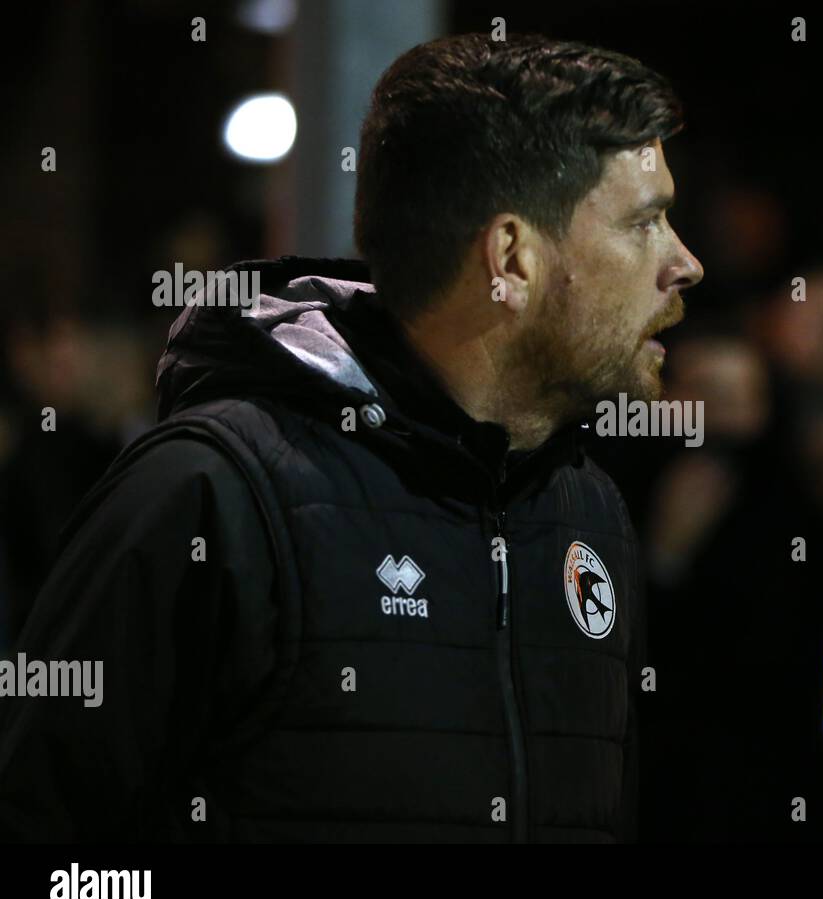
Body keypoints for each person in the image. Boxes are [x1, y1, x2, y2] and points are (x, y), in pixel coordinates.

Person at [0, 33, 703, 843]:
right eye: (645, 223)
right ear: (510, 256)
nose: (685, 262)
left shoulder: (588, 511)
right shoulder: (209, 496)